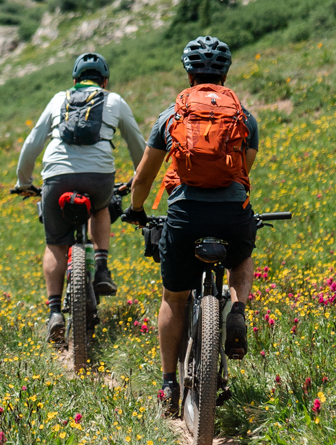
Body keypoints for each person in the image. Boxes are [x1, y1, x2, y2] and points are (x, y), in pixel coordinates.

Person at [123, 36, 259, 417]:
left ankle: (168, 384)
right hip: (232, 211)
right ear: (226, 73)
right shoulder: (244, 117)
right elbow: (244, 173)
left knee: (174, 297)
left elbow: (144, 179)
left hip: (185, 214)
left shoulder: (171, 115)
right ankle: (237, 309)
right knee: (243, 255)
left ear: (188, 73)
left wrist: (136, 210)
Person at [15, 52, 147, 343]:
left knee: (54, 243)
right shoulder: (114, 100)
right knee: (101, 208)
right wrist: (140, 175)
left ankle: (54, 312)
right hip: (99, 177)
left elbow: (33, 140)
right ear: (105, 81)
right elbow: (137, 141)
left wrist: (23, 181)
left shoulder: (58, 99)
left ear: (74, 81)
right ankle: (101, 267)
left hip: (57, 177)